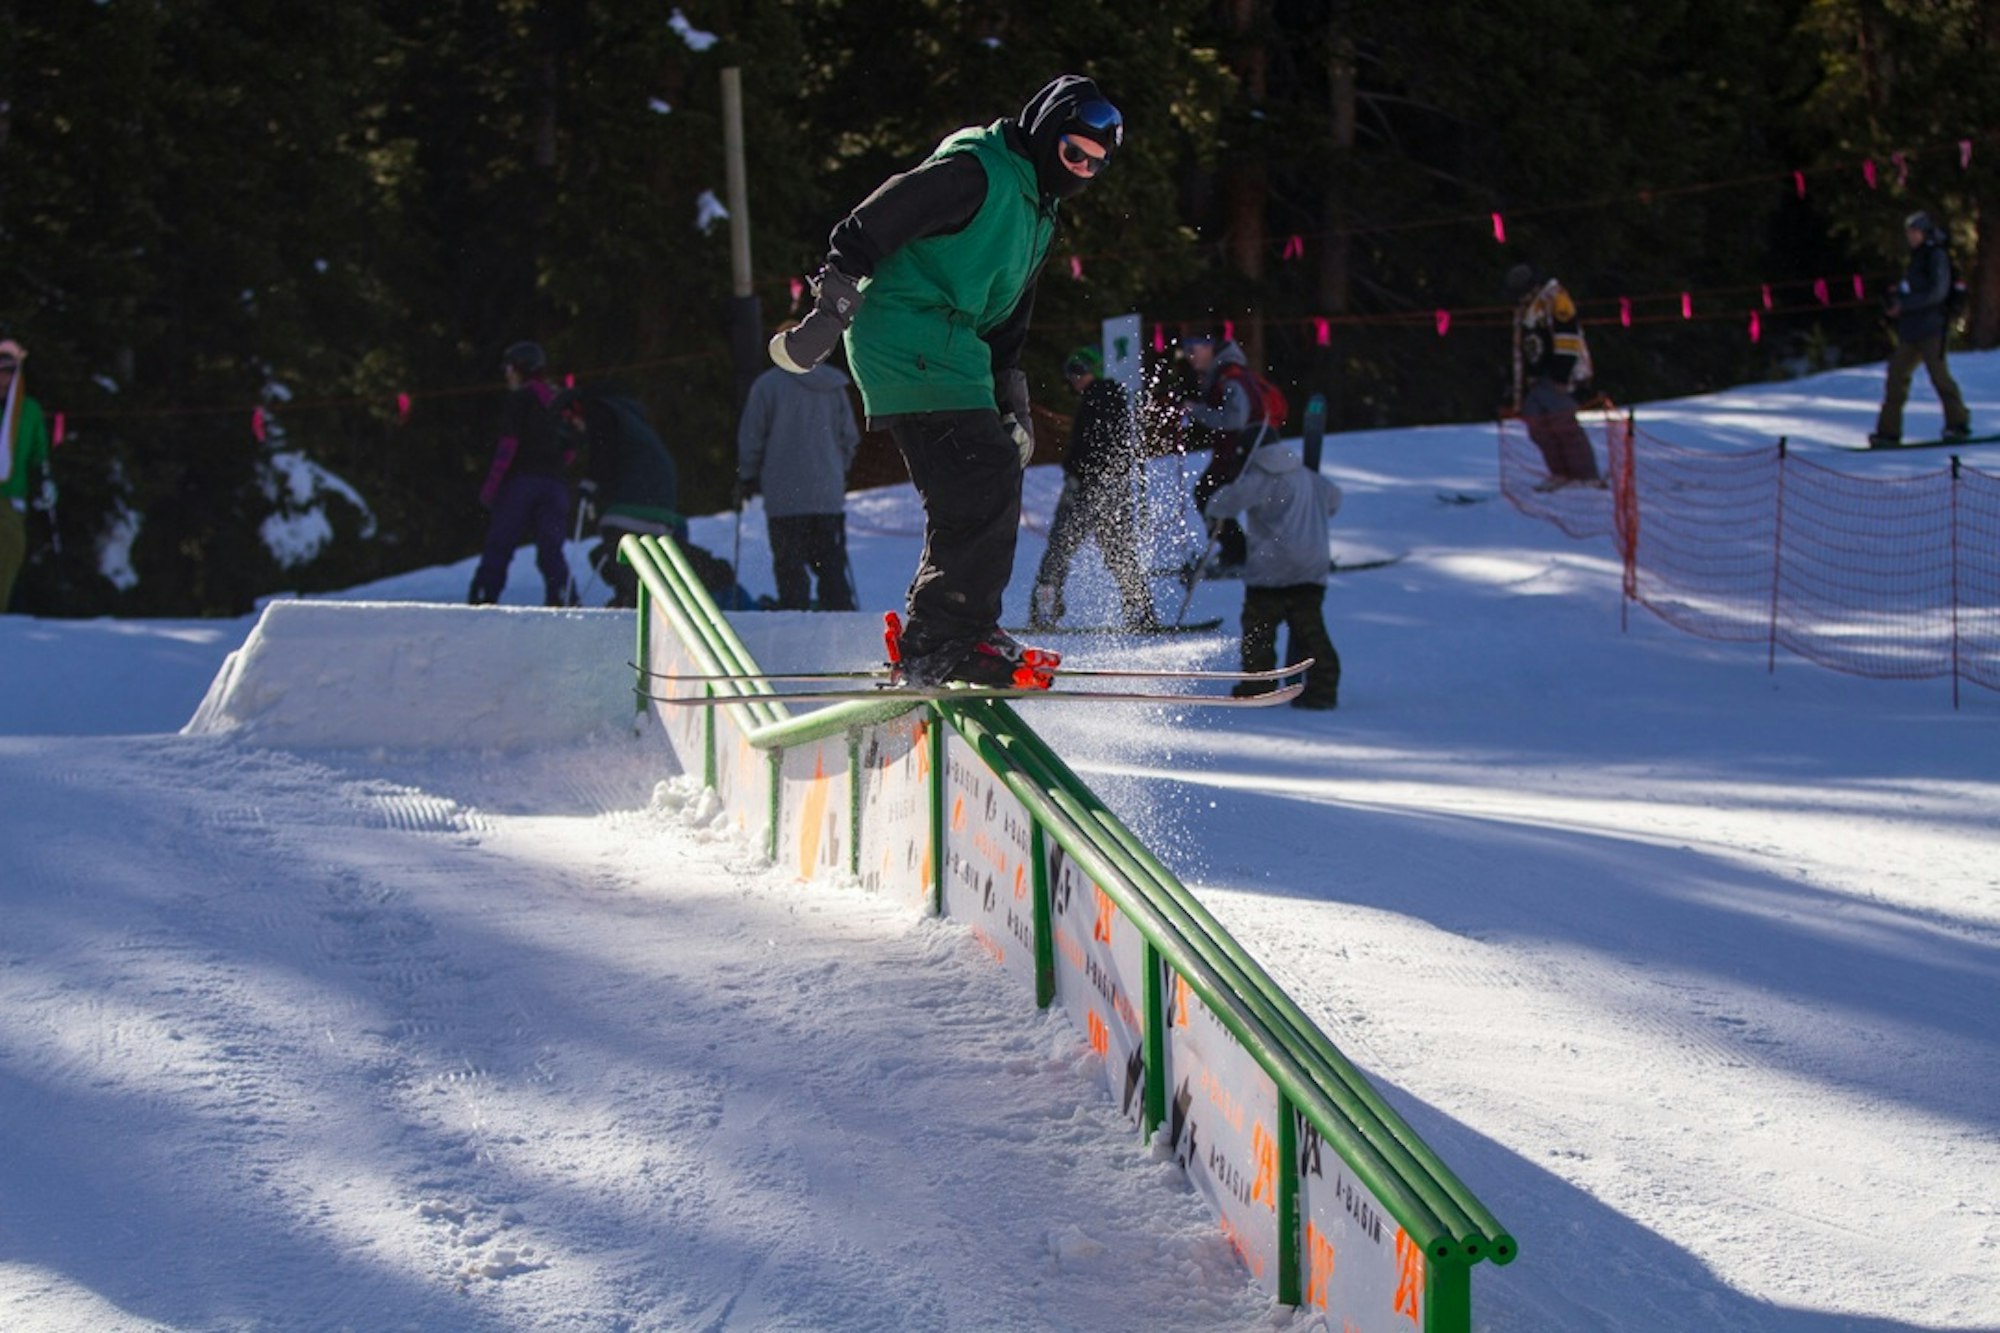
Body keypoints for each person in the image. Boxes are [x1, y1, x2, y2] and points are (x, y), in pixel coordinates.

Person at [769, 74, 1122, 687]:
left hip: (955, 344)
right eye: (1073, 154)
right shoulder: (979, 171)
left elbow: (1009, 317)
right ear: (1046, 135)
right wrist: (832, 301)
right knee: (980, 470)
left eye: (1094, 165)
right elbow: (874, 219)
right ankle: (943, 635)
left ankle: (961, 627)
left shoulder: (1039, 212)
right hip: (903, 326)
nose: (1080, 172)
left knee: (986, 472)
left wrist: (1011, 400)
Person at [1205, 437, 1343, 711]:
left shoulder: (1259, 478)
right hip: (1310, 567)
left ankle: (1258, 686)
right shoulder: (1308, 477)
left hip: (1271, 569)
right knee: (1310, 631)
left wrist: (1217, 505)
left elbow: (1222, 504)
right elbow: (1334, 499)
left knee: (1259, 631)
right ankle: (1323, 689)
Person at [1030, 346, 1156, 630]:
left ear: (1094, 371)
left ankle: (1045, 609)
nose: (1074, 378)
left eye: (1079, 371)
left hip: (1087, 487)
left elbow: (1091, 447)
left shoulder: (1098, 399)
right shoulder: (1112, 399)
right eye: (1070, 372)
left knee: (1060, 547)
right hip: (1113, 487)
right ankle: (1140, 609)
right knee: (1119, 550)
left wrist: (1076, 471)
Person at [737, 354, 861, 611]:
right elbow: (849, 437)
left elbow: (751, 437)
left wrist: (747, 475)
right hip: (827, 494)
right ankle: (842, 616)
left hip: (784, 497)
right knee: (831, 566)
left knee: (790, 569)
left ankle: (795, 615)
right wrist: (838, 471)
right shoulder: (833, 384)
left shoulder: (767, 385)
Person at [554, 385, 686, 608]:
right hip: (658, 496)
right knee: (612, 550)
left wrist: (590, 485)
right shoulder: (623, 416)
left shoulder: (600, 412)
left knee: (617, 543)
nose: (572, 423)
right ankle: (631, 596)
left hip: (640, 496)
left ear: (577, 407)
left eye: (569, 416)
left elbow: (603, 453)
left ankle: (633, 597)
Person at [469, 341, 575, 607]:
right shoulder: (558, 399)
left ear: (520, 369)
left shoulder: (520, 399)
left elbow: (508, 446)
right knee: (551, 550)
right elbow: (571, 446)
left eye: (509, 368)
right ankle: (563, 598)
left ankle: (484, 597)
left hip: (522, 483)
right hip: (554, 485)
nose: (506, 374)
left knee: (500, 543)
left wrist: (492, 486)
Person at [1871, 211, 1971, 447]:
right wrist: (1897, 297)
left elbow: (1937, 292)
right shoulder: (1917, 258)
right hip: (1911, 331)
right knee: (1896, 377)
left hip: (1932, 329)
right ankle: (1888, 432)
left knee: (1939, 377)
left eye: (1914, 231)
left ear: (1924, 232)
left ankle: (1958, 424)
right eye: (1909, 232)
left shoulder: (1936, 255)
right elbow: (1916, 289)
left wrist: (1905, 304)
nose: (1910, 236)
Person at [1182, 333, 1277, 572]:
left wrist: (1197, 411)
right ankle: (1239, 552)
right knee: (1210, 496)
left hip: (1243, 454)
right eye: (1187, 351)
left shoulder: (1230, 377)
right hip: (1237, 454)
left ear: (1210, 348)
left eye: (1194, 349)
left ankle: (1237, 554)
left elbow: (1234, 419)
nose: (1190, 356)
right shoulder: (1224, 373)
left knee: (1209, 496)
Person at [1505, 263, 1603, 490]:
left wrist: (1561, 376)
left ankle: (1585, 475)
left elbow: (1568, 339)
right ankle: (1560, 472)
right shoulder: (1527, 308)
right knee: (1538, 427)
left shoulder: (1556, 299)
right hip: (1536, 379)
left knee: (1565, 427)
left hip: (1558, 377)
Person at [0, 339, 54, 613]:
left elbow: (38, 454)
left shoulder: (28, 410)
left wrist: (45, 482)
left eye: (8, 372)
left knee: (9, 552)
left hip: (12, 495)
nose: (3, 378)